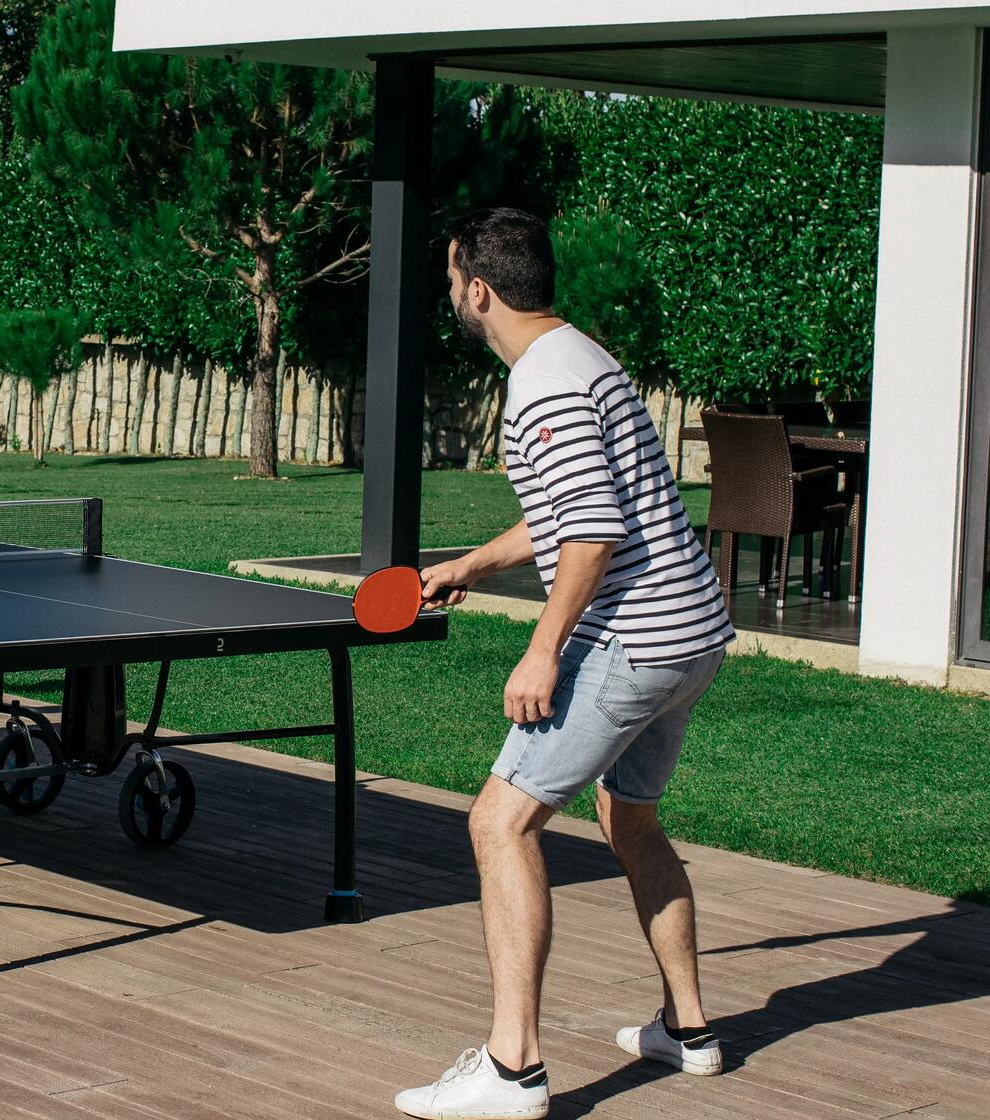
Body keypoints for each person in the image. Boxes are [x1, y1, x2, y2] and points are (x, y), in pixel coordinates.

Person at [394, 208, 736, 1120]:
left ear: (479, 289)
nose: (453, 292)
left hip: (632, 640)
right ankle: (689, 1029)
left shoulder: (542, 384)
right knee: (631, 821)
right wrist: (470, 563)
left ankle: (513, 1071)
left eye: (454, 276)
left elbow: (590, 535)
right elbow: (568, 509)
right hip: (692, 635)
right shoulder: (587, 356)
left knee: (499, 825)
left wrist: (541, 652)